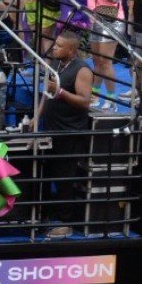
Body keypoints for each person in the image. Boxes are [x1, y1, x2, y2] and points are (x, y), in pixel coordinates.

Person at [37, 29, 94, 239]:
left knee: (64, 179)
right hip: (51, 130)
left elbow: (85, 101)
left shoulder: (82, 70)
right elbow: (46, 94)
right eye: (55, 44)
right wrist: (36, 117)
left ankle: (66, 223)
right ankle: (44, 216)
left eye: (59, 46)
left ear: (71, 50)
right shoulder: (56, 64)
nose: (54, 48)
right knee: (47, 174)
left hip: (70, 133)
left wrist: (60, 92)